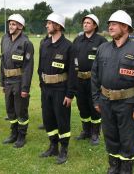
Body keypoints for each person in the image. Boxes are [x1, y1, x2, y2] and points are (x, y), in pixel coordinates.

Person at [91, 10, 134, 174]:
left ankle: (126, 169)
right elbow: (94, 76)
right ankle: (114, 166)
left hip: (128, 104)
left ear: (125, 27)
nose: (110, 27)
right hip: (105, 101)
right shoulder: (102, 48)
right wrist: (96, 100)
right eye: (109, 24)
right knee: (110, 136)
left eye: (114, 24)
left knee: (127, 139)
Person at [38, 13, 78, 164]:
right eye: (47, 23)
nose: (47, 25)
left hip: (61, 89)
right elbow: (40, 67)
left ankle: (64, 149)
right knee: (48, 119)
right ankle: (53, 146)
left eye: (50, 23)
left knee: (62, 120)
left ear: (58, 26)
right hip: (46, 89)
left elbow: (73, 73)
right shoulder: (44, 44)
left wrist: (70, 94)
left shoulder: (68, 46)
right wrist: (42, 85)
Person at [0, 14, 34, 148]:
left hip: (19, 82)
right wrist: (2, 82)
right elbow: (2, 61)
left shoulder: (26, 43)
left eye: (14, 24)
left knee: (21, 111)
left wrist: (25, 88)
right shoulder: (5, 39)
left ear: (20, 26)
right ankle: (13, 134)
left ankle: (21, 136)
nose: (10, 26)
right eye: (10, 23)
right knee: (10, 110)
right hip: (8, 81)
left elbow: (28, 67)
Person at [72, 14, 107, 145]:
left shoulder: (101, 41)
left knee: (95, 107)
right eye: (84, 22)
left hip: (94, 81)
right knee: (82, 106)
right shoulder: (77, 40)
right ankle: (85, 131)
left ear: (95, 25)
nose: (85, 24)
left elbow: (105, 62)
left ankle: (95, 133)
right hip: (79, 80)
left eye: (88, 22)